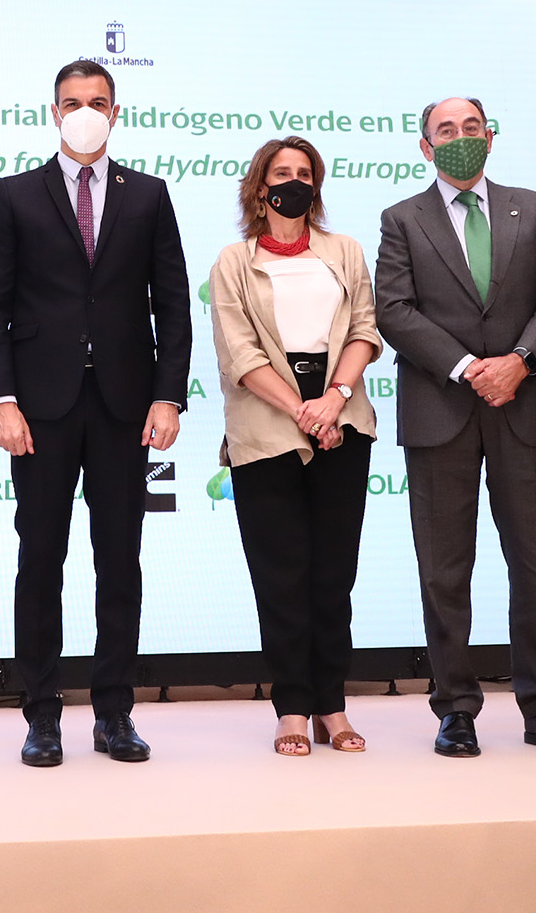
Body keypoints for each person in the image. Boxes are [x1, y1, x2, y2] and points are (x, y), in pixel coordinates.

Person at [0, 59, 191, 767]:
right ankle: (41, 717)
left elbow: (175, 304)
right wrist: (1, 399)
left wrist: (169, 393)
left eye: (98, 101)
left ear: (116, 112)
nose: (85, 111)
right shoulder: (14, 195)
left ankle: (115, 713)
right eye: (72, 101)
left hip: (126, 405)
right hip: (40, 408)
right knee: (41, 559)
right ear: (54, 112)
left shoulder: (150, 196)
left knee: (118, 562)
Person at [373, 96, 536, 759]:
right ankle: (456, 708)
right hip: (441, 410)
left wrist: (520, 363)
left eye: (472, 127)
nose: (461, 137)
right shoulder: (401, 219)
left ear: (490, 137)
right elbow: (394, 311)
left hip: (525, 406)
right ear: (425, 145)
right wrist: (469, 366)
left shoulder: (534, 206)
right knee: (443, 571)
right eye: (446, 130)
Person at [210, 138, 381, 756]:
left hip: (342, 415)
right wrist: (302, 411)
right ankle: (290, 707)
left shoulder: (346, 250)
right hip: (266, 427)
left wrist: (333, 399)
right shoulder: (234, 260)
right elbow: (238, 353)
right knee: (281, 575)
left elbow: (365, 327)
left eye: (304, 174)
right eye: (281, 174)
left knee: (334, 575)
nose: (293, 183)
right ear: (260, 188)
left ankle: (332, 705)